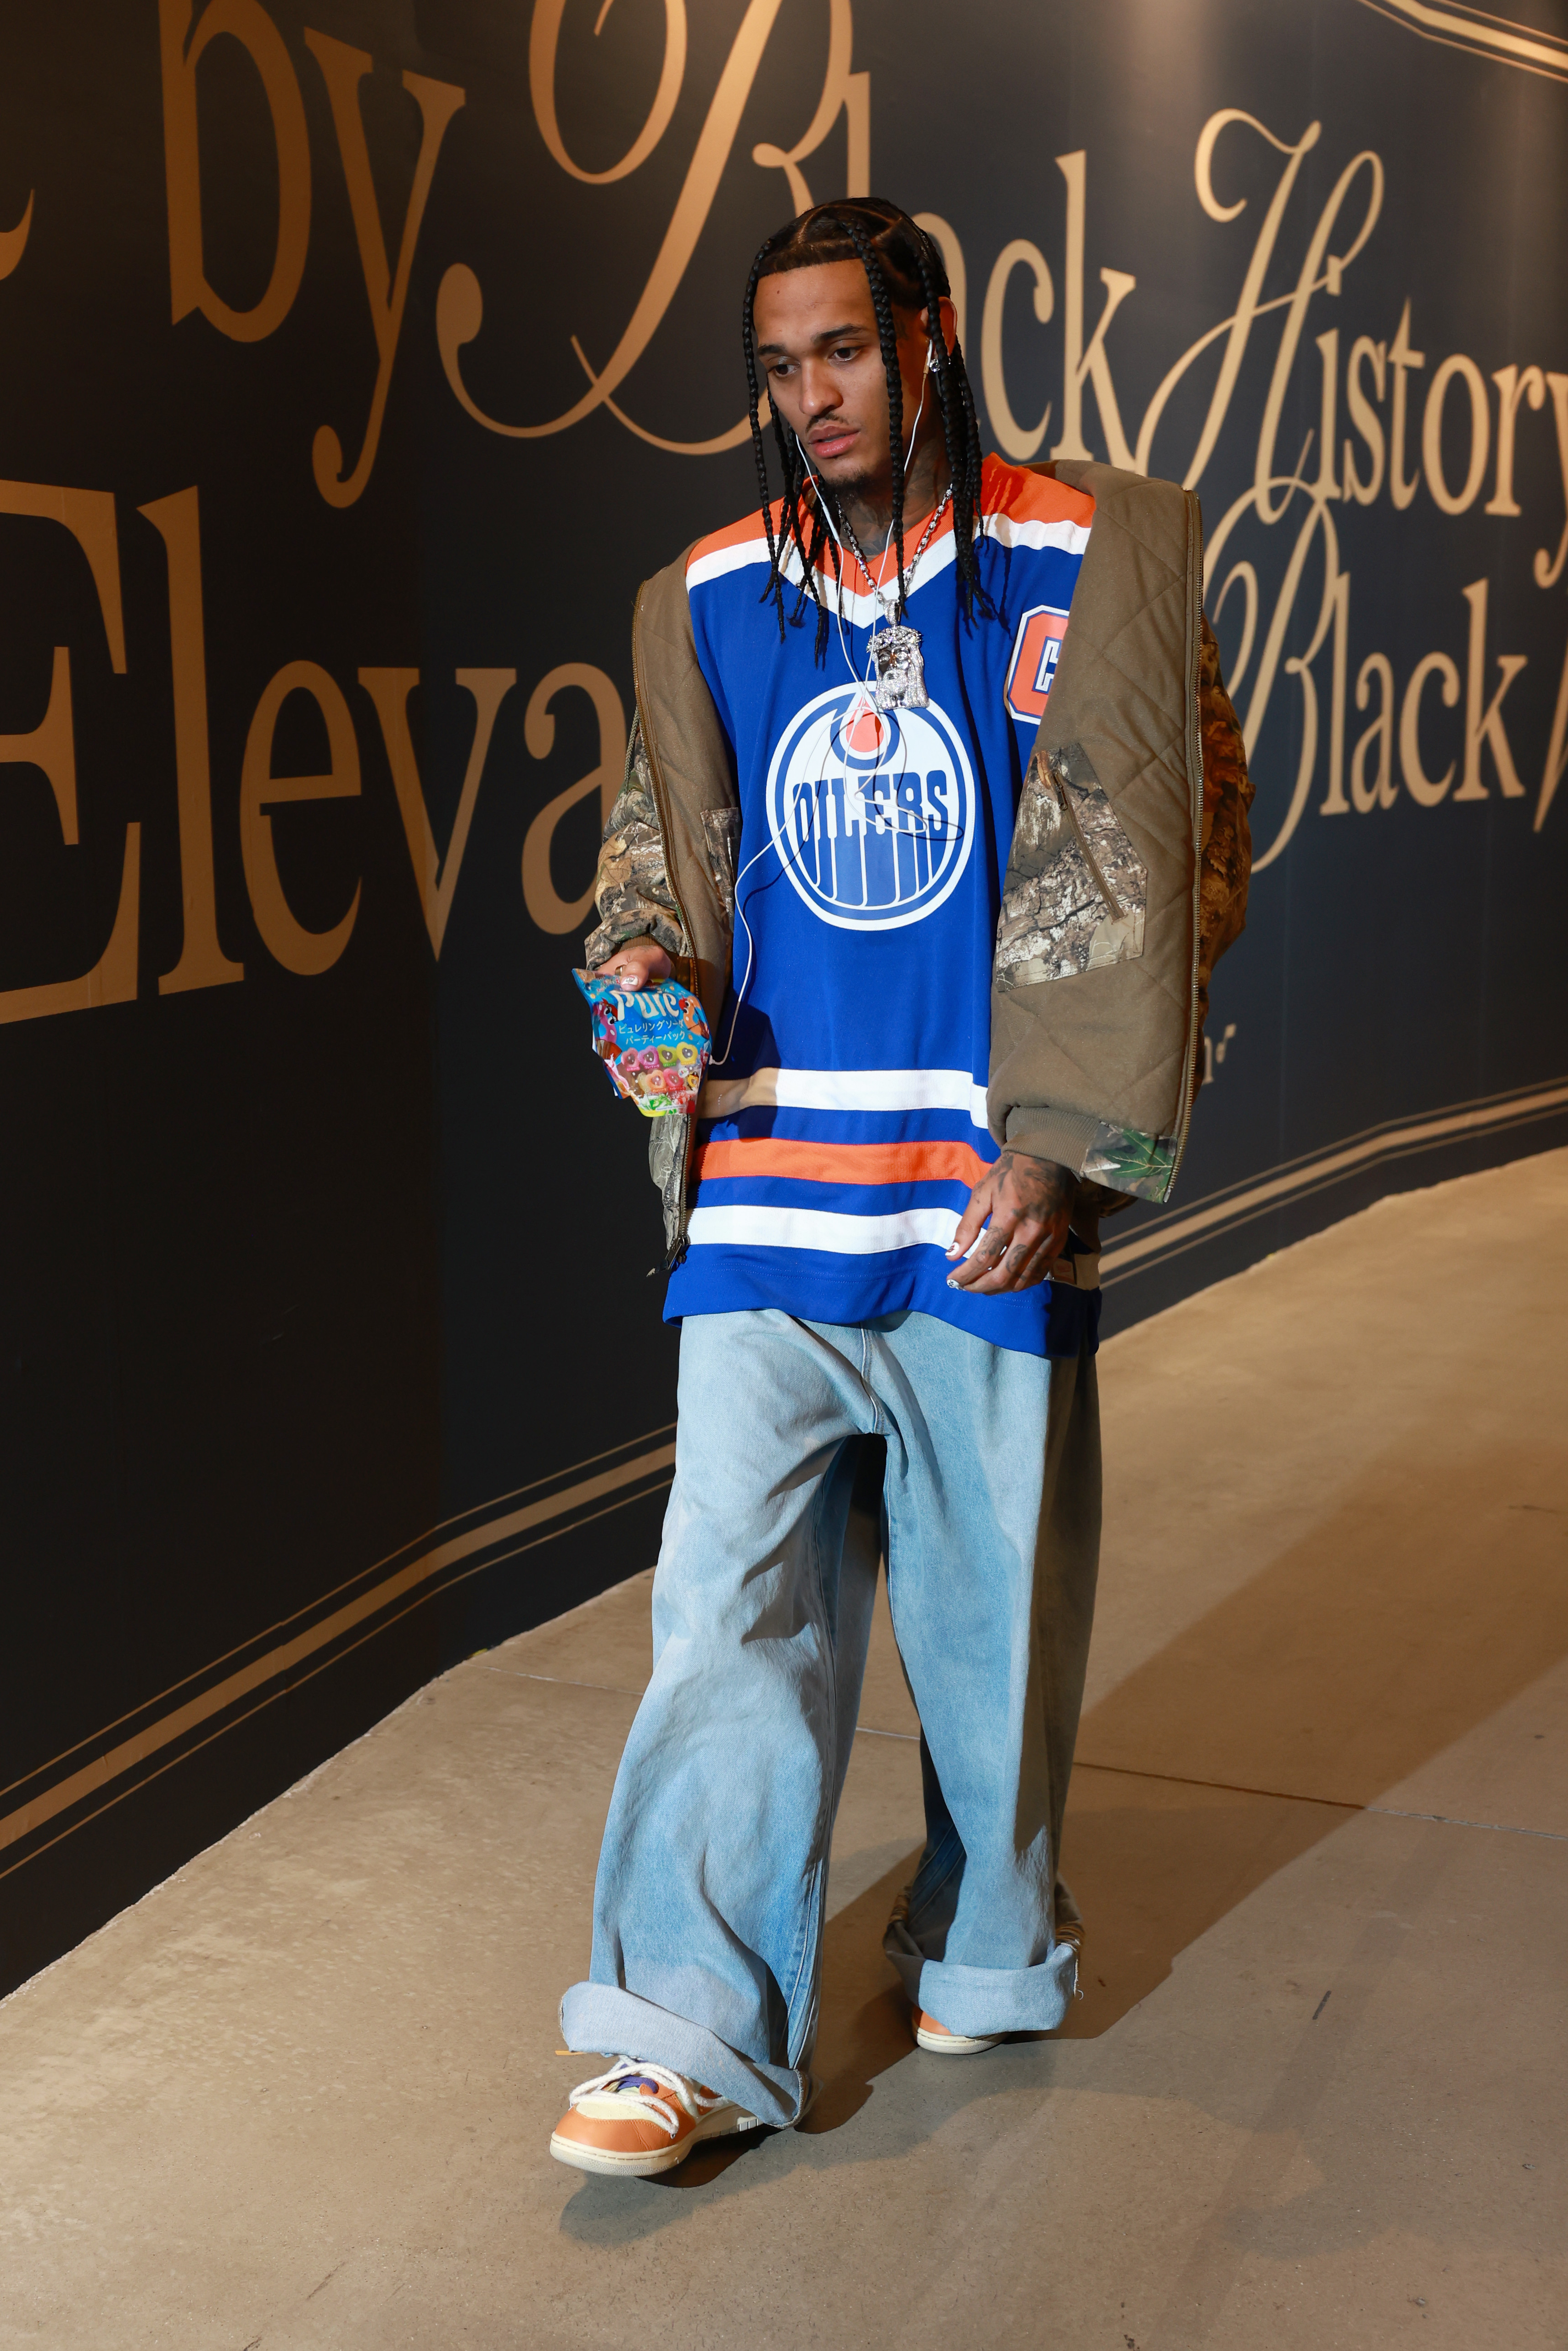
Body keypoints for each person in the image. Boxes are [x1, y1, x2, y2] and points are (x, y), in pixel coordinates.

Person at [550, 199, 1253, 2179]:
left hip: (983, 1193)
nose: (809, 399)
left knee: (988, 1621)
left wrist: (1070, 1138)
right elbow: (652, 867)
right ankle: (682, 2020)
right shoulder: (699, 592)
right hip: (774, 1191)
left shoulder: (1090, 555)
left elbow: (1199, 840)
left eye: (840, 353)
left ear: (927, 340)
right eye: (776, 368)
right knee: (722, 1609)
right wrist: (641, 985)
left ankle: (988, 1933)